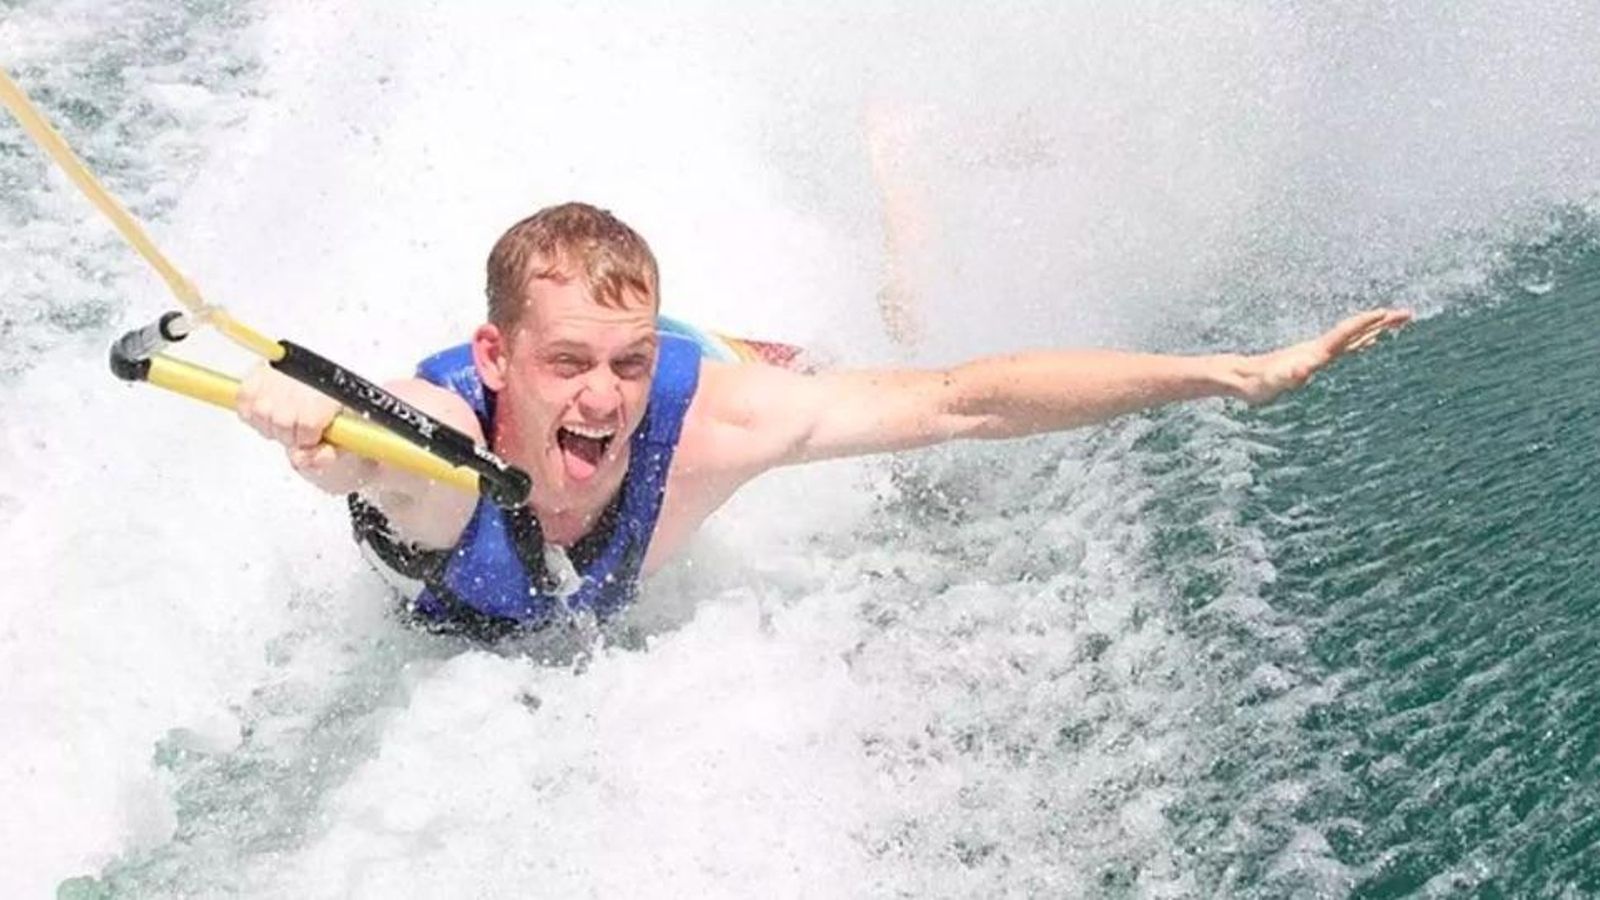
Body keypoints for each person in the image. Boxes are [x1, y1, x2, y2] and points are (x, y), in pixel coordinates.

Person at [237, 202, 1410, 639]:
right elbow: (369, 443)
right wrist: (310, 418)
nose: (600, 397)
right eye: (567, 364)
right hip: (449, 480)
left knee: (862, 381)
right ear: (501, 358)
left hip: (724, 368)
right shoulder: (452, 450)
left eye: (625, 362)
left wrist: (1229, 374)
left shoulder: (698, 423)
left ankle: (900, 218)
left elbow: (965, 402)